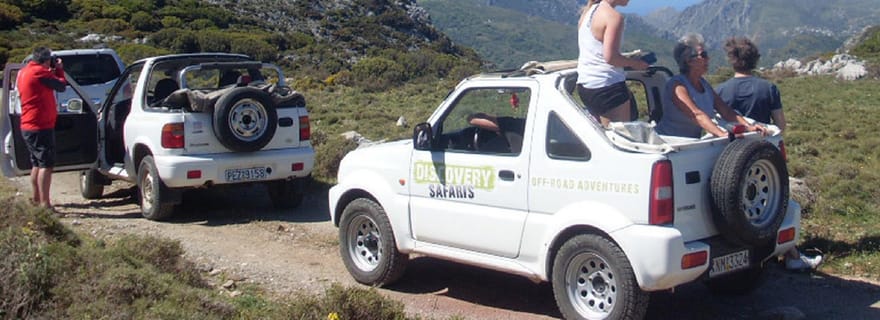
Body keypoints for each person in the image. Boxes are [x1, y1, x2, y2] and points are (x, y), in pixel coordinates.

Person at [716, 37, 821, 271]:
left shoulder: (720, 91)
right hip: (764, 160)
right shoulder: (768, 88)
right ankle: (791, 254)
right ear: (755, 60)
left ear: (732, 60)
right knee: (773, 205)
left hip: (728, 162)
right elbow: (780, 125)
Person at [655, 33, 765, 138]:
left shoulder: (704, 84)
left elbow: (725, 110)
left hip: (690, 143)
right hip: (668, 142)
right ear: (689, 61)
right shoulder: (677, 85)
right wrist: (721, 133)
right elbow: (696, 114)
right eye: (703, 55)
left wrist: (748, 127)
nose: (708, 58)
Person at [576, 0, 649, 126]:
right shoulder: (613, 17)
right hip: (608, 87)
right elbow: (611, 58)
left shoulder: (587, 13)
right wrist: (636, 63)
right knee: (620, 135)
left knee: (603, 133)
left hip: (586, 86)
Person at [17, 47, 66, 210]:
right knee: (46, 164)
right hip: (40, 125)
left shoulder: (25, 71)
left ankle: (37, 199)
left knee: (37, 164)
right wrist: (59, 70)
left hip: (29, 124)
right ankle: (45, 204)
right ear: (46, 60)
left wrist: (51, 71)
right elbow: (61, 86)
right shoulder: (39, 72)